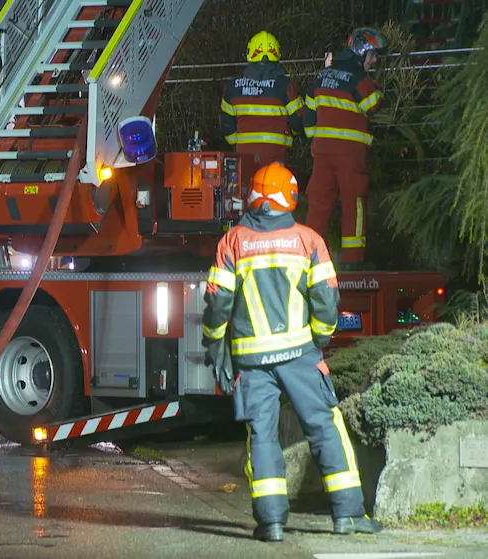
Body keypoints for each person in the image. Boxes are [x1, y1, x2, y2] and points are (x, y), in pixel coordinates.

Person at [201, 162, 382, 542]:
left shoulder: (232, 242)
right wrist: (317, 340)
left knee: (262, 437)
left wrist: (215, 344)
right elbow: (327, 304)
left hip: (251, 362)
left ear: (252, 196)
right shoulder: (309, 240)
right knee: (325, 427)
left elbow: (218, 305)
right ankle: (347, 515)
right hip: (300, 354)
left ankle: (271, 523)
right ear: (292, 197)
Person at [303, 27, 388, 270]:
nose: (374, 61)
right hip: (350, 155)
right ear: (361, 53)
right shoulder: (359, 79)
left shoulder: (322, 76)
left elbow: (307, 114)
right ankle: (353, 261)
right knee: (354, 203)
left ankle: (308, 259)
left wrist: (315, 142)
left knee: (318, 204)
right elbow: (374, 105)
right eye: (373, 55)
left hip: (321, 154)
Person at [220, 31, 304, 166]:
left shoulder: (233, 87)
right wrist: (289, 136)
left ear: (250, 52)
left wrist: (238, 143)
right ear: (276, 53)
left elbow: (226, 124)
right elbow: (298, 121)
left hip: (244, 157)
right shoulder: (284, 85)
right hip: (276, 156)